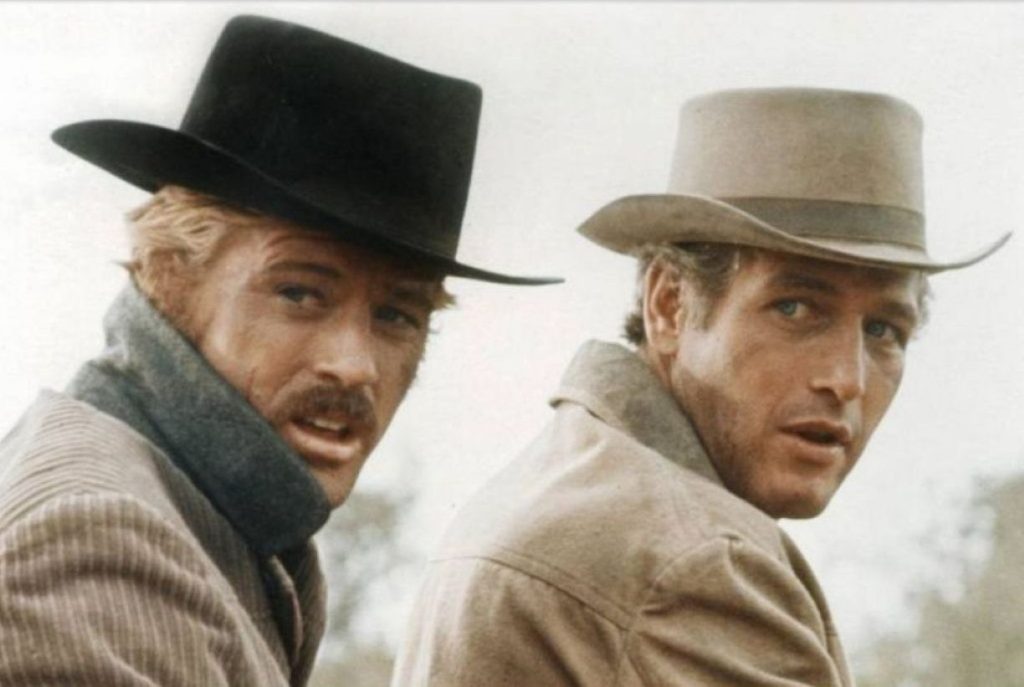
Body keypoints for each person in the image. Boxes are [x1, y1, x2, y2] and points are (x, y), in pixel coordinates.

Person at [0, 14, 557, 687]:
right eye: (299, 293)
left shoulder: (211, 522)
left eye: (396, 315)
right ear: (169, 273)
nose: (354, 365)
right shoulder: (97, 537)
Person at [391, 88, 1010, 686]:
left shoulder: (561, 478)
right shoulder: (691, 563)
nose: (845, 380)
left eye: (883, 330)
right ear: (669, 304)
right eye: (795, 309)